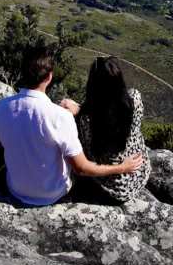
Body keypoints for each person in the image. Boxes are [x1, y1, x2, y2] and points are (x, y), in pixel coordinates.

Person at [0, 46, 144, 206]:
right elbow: (81, 169)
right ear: (49, 77)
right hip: (53, 192)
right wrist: (121, 168)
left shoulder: (2, 106)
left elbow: (3, 143)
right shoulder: (60, 117)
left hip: (15, 188)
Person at [60, 55, 151, 203]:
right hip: (138, 173)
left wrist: (79, 113)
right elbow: (113, 117)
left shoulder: (87, 120)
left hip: (110, 188)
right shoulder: (135, 99)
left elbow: (85, 150)